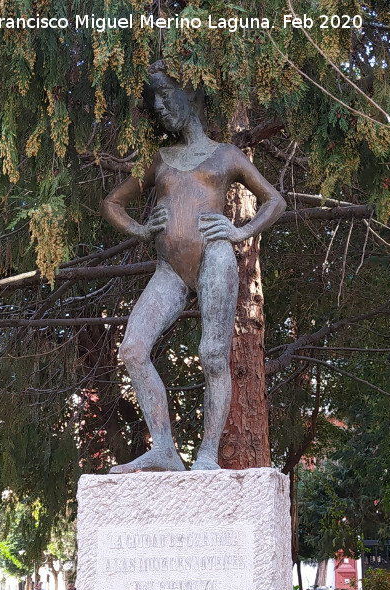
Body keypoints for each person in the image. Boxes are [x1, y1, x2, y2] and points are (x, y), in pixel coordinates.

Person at [101, 60, 286, 473]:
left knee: (214, 354)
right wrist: (141, 229)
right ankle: (165, 448)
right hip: (169, 269)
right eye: (154, 99)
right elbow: (112, 203)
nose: (159, 106)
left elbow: (275, 200)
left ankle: (207, 454)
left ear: (191, 94)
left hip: (214, 258)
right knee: (133, 349)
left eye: (166, 94)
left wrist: (241, 231)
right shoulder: (160, 159)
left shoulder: (226, 155)